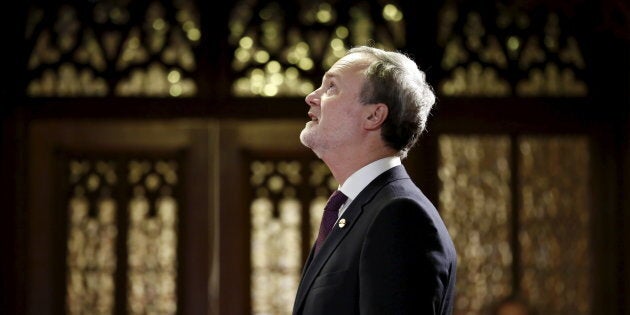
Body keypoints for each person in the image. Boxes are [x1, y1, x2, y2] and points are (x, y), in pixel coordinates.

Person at [292, 45, 457, 315]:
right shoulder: (357, 208)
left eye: (331, 87)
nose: (312, 97)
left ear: (374, 115)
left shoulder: (400, 216)